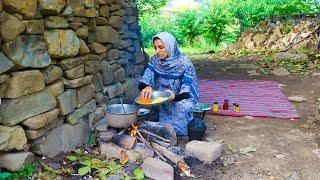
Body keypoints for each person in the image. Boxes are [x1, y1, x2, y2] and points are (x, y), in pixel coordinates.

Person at [138, 32, 200, 136]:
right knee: (140, 105)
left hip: (179, 98)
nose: (157, 51)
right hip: (161, 97)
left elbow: (187, 92)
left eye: (161, 47)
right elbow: (146, 77)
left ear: (170, 46)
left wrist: (174, 97)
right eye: (155, 47)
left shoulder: (185, 63)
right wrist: (146, 86)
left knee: (181, 110)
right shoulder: (155, 60)